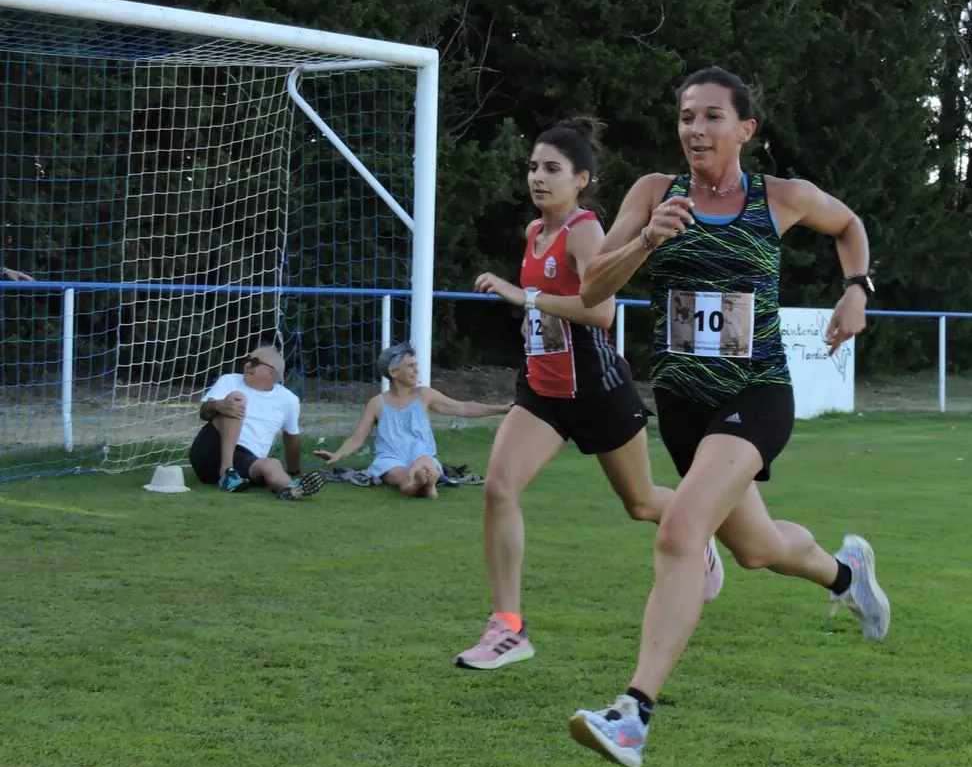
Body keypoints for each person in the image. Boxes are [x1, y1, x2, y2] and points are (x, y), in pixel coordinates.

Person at [567, 66, 889, 767]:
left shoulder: (780, 198)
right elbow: (592, 290)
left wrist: (856, 292)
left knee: (681, 528)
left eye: (712, 117)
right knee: (757, 548)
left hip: (758, 393)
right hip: (684, 404)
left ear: (745, 129)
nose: (695, 129)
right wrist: (647, 239)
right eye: (686, 116)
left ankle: (632, 713)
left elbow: (850, 225)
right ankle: (845, 574)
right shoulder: (655, 194)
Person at [452, 118, 725, 672]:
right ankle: (508, 628)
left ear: (582, 179)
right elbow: (547, 310)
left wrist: (521, 296)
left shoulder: (585, 232)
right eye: (533, 166)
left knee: (643, 503)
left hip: (597, 390)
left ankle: (699, 530)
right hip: (543, 392)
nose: (537, 177)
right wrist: (528, 306)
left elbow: (600, 311)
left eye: (552, 169)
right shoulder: (534, 233)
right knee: (499, 490)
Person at [313, 342, 510, 497]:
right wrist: (337, 455)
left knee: (424, 461)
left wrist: (502, 409)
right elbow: (357, 438)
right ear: (393, 372)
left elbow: (463, 407)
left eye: (416, 365)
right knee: (402, 478)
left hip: (420, 455)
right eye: (411, 366)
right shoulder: (377, 403)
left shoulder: (424, 395)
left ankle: (424, 480)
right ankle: (423, 484)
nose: (417, 370)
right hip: (390, 459)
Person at [188, 344, 326, 500]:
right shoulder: (229, 381)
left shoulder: (289, 400)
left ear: (271, 372)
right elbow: (204, 413)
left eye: (255, 362)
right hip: (211, 449)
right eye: (248, 360)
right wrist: (219, 405)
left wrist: (294, 470)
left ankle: (291, 488)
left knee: (271, 464)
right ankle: (227, 471)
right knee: (236, 399)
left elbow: (291, 437)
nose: (248, 364)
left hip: (246, 459)